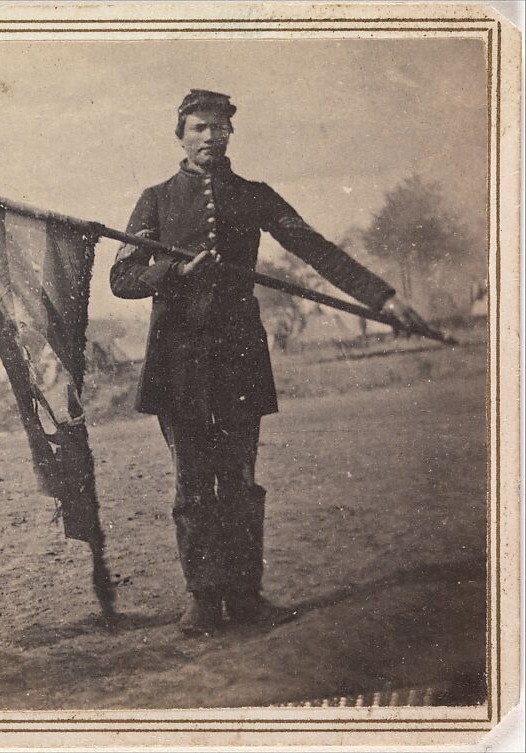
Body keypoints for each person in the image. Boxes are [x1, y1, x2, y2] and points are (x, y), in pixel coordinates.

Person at [109, 89, 428, 635]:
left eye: (219, 127)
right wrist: (170, 273)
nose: (210, 136)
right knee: (192, 481)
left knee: (240, 478)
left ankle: (246, 595)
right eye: (199, 128)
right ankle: (204, 599)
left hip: (238, 357)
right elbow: (121, 280)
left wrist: (383, 299)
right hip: (179, 360)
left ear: (231, 134)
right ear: (180, 135)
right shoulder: (155, 200)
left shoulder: (255, 196)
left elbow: (318, 250)